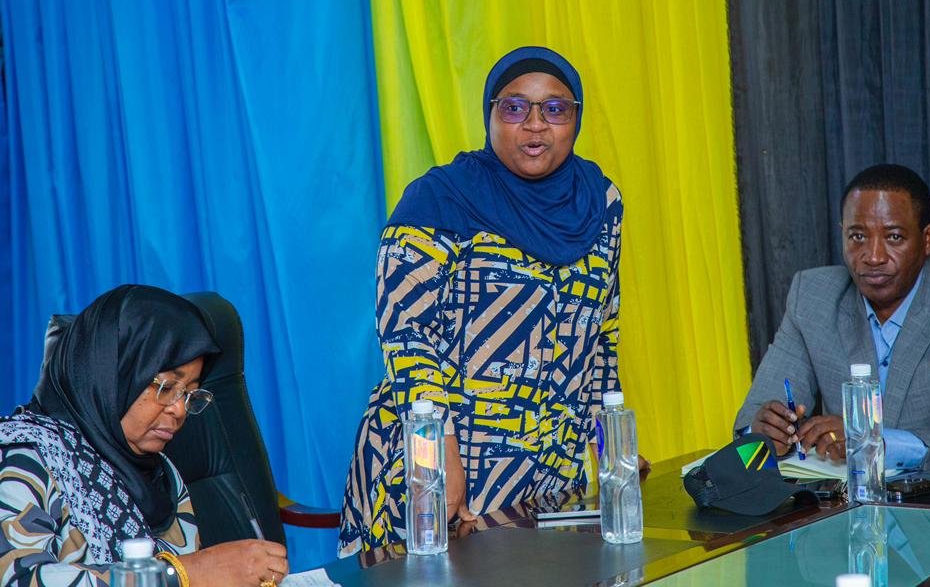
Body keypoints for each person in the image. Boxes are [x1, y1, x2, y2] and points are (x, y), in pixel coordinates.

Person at [339, 46, 640, 556]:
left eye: (555, 109)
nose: (535, 125)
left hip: (550, 471)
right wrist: (438, 462)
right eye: (515, 107)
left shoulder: (600, 201)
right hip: (440, 466)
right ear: (490, 114)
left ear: (576, 117)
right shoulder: (439, 199)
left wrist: (612, 453)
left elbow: (602, 336)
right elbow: (407, 338)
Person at [734, 164, 930, 470]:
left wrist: (876, 441)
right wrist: (764, 432)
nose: (873, 256)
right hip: (842, 493)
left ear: (927, 239)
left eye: (894, 237)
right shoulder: (813, 297)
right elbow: (750, 419)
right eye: (857, 236)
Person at [0, 285, 289, 587]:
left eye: (189, 394)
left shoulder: (162, 471)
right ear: (112, 376)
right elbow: (17, 579)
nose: (179, 410)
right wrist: (177, 573)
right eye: (167, 387)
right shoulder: (23, 457)